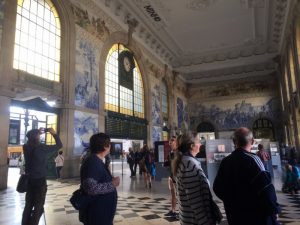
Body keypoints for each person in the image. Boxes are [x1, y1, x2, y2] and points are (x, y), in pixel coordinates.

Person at [213, 127, 280, 225]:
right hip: (256, 216)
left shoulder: (226, 161)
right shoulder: (253, 159)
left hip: (235, 215)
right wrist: (274, 209)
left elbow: (217, 188)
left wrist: (232, 201)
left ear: (233, 141)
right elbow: (266, 187)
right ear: (252, 141)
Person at [172, 133, 218, 225]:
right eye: (198, 142)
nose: (200, 144)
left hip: (189, 218)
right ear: (192, 146)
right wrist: (205, 222)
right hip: (194, 220)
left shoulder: (185, 161)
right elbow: (195, 200)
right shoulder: (189, 164)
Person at [22, 128, 63, 225]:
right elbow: (59, 145)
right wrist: (54, 134)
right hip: (40, 180)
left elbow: (31, 139)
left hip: (30, 179)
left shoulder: (25, 146)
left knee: (28, 204)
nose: (40, 137)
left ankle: (24, 223)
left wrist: (36, 132)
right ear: (36, 137)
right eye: (39, 136)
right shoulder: (41, 147)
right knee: (39, 205)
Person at [79, 133, 120, 225]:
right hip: (96, 214)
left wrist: (109, 179)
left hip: (101, 212)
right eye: (109, 144)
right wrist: (112, 184)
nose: (110, 146)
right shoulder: (93, 162)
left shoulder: (96, 160)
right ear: (105, 146)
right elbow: (90, 188)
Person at [164, 136, 178, 218]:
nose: (170, 143)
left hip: (176, 177)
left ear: (176, 142)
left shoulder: (178, 153)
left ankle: (181, 211)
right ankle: (173, 210)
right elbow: (169, 164)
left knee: (178, 195)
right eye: (170, 142)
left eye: (172, 141)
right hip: (171, 176)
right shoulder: (171, 153)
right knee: (172, 194)